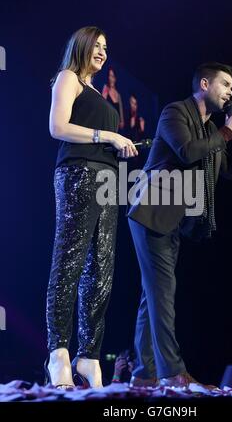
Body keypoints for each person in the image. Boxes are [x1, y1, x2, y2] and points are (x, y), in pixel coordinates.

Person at [127, 62, 232, 388]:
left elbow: (227, 171)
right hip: (151, 211)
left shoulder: (212, 129)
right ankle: (172, 372)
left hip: (173, 220)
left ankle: (144, 375)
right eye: (225, 84)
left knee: (152, 295)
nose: (230, 92)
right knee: (162, 293)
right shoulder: (175, 113)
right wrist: (227, 132)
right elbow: (186, 152)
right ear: (204, 84)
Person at [45, 26, 138, 389]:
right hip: (77, 174)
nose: (102, 52)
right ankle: (58, 353)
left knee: (100, 271)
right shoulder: (69, 77)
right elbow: (57, 126)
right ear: (81, 46)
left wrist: (119, 146)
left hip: (106, 181)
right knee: (69, 262)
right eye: (96, 46)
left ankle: (89, 355)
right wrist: (108, 135)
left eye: (105, 47)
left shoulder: (99, 91)